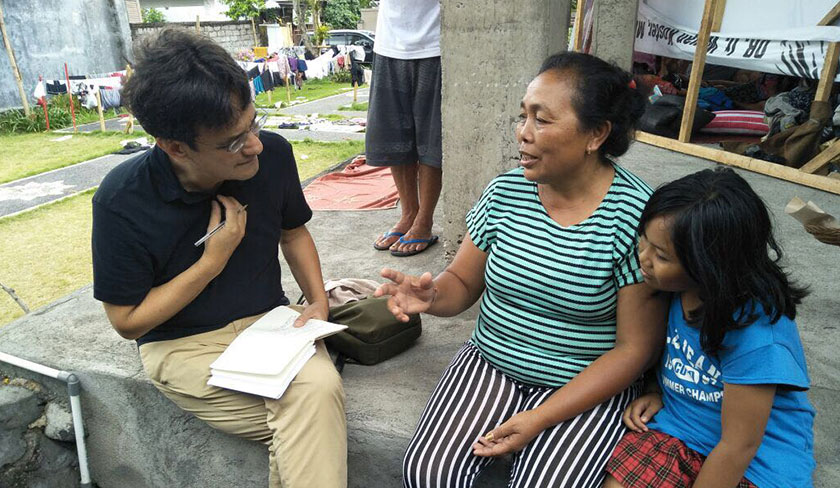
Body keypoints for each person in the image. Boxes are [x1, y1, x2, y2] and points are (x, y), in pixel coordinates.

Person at [374, 52, 667, 487]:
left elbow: (634, 350)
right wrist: (431, 296)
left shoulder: (636, 217)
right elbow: (461, 281)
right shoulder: (506, 192)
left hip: (584, 380)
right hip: (492, 361)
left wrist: (540, 418)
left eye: (542, 120)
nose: (522, 134)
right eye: (522, 116)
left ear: (597, 134)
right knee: (428, 473)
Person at [91, 28, 346, 488]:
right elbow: (128, 322)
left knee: (317, 393)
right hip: (183, 347)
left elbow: (293, 233)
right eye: (233, 141)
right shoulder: (123, 199)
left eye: (254, 123)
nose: (254, 145)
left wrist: (317, 303)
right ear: (174, 147)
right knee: (312, 409)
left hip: (272, 326)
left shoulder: (272, 156)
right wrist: (212, 260)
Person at [605, 167, 816, 488]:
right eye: (643, 241)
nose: (642, 258)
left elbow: (738, 446)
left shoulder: (757, 334)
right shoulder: (676, 286)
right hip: (681, 429)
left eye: (660, 255)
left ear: (709, 266)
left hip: (757, 461)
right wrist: (656, 390)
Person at [367, 0, 443, 257]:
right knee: (394, 138)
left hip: (436, 43)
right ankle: (408, 213)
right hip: (389, 41)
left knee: (431, 139)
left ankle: (424, 220)